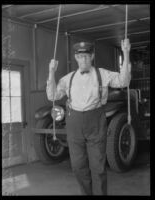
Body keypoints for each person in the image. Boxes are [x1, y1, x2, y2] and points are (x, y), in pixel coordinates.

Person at [46, 39, 131, 195]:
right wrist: (51, 72)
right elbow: (52, 95)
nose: (83, 59)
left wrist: (125, 53)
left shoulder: (102, 74)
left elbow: (124, 81)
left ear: (92, 56)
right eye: (80, 56)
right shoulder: (68, 78)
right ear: (76, 58)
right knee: (78, 166)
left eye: (86, 56)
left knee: (98, 167)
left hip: (96, 122)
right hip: (74, 124)